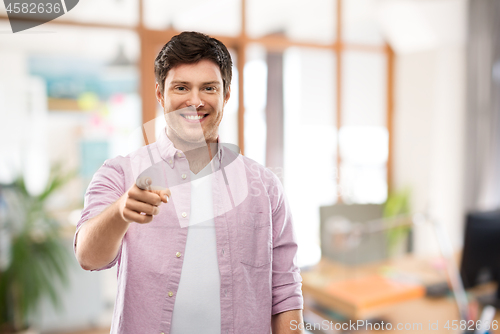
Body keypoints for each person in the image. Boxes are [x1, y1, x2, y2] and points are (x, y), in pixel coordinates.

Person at [74, 31, 304, 334]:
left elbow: (285, 293)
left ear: (226, 94)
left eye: (208, 88)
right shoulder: (120, 173)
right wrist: (120, 212)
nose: (194, 101)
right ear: (160, 94)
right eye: (181, 87)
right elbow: (88, 257)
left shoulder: (265, 186)